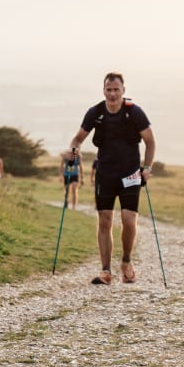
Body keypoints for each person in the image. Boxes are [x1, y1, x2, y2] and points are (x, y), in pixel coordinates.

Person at [64, 72, 156, 285]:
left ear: (123, 91)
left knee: (128, 219)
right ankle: (106, 271)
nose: (112, 94)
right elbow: (78, 139)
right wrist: (73, 153)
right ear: (103, 90)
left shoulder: (134, 112)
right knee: (105, 220)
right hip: (105, 173)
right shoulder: (95, 112)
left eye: (116, 90)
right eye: (109, 90)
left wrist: (147, 168)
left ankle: (126, 262)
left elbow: (150, 142)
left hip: (131, 173)